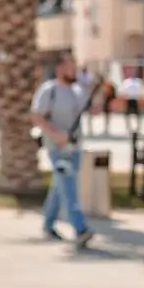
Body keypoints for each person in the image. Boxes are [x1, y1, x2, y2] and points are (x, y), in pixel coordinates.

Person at [30, 55, 94, 248]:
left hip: (74, 147)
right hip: (57, 147)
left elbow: (90, 109)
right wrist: (56, 135)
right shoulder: (49, 90)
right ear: (59, 68)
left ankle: (48, 224)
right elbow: (36, 116)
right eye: (69, 67)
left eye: (74, 67)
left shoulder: (76, 91)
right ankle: (80, 228)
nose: (73, 71)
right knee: (69, 186)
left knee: (59, 187)